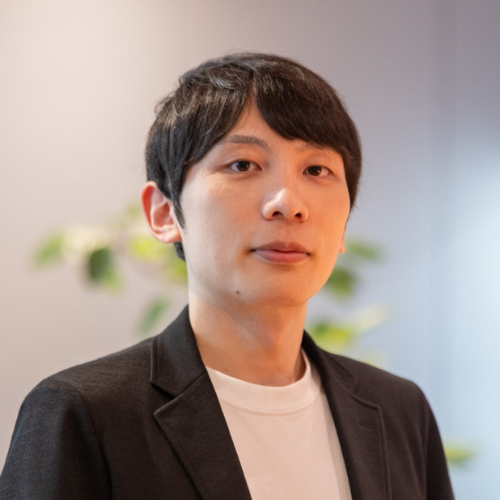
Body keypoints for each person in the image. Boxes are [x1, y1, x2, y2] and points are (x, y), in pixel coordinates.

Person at [0, 53, 454, 499]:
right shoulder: (85, 413)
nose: (288, 203)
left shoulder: (400, 411)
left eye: (317, 169)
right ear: (164, 213)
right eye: (242, 165)